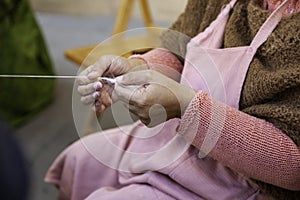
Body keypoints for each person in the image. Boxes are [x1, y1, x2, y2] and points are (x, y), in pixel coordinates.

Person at [45, 0, 300, 199]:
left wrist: (186, 106)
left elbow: (294, 169)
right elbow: (177, 51)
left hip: (248, 183)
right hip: (175, 139)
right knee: (78, 160)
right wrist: (139, 68)